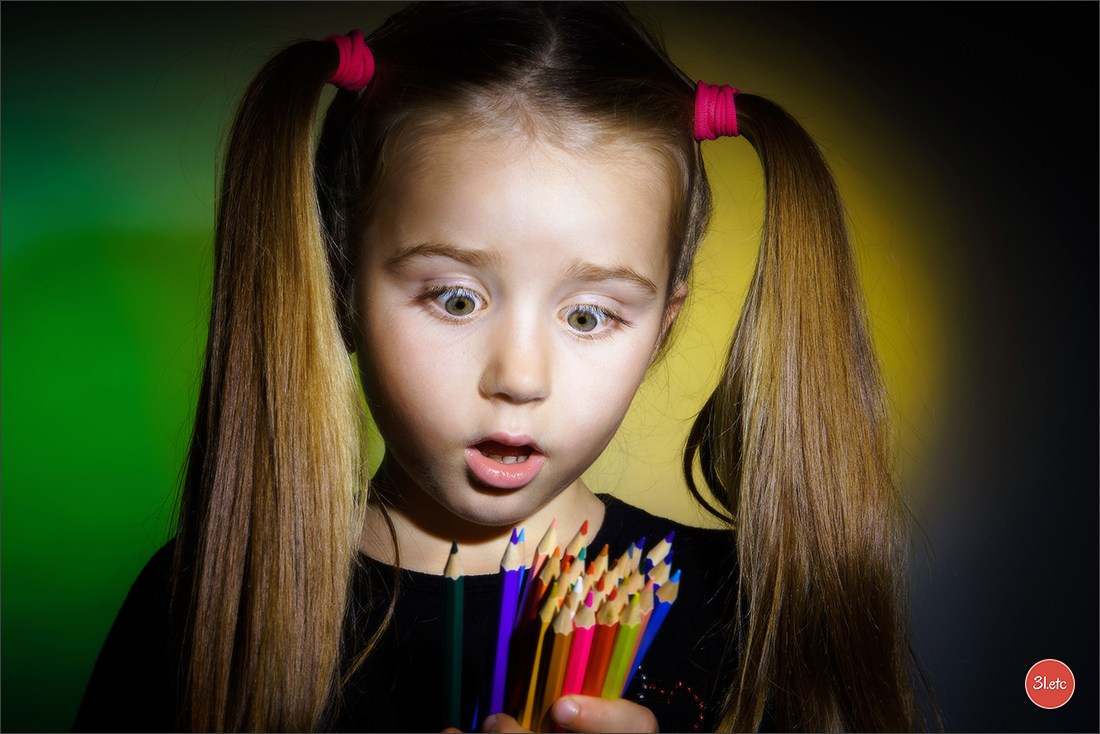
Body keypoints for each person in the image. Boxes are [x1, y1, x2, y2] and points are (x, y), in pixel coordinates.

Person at [74, 2, 929, 731]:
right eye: (454, 299)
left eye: (589, 315)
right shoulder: (201, 608)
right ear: (339, 287)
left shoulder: (746, 609)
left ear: (663, 327)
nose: (520, 377)